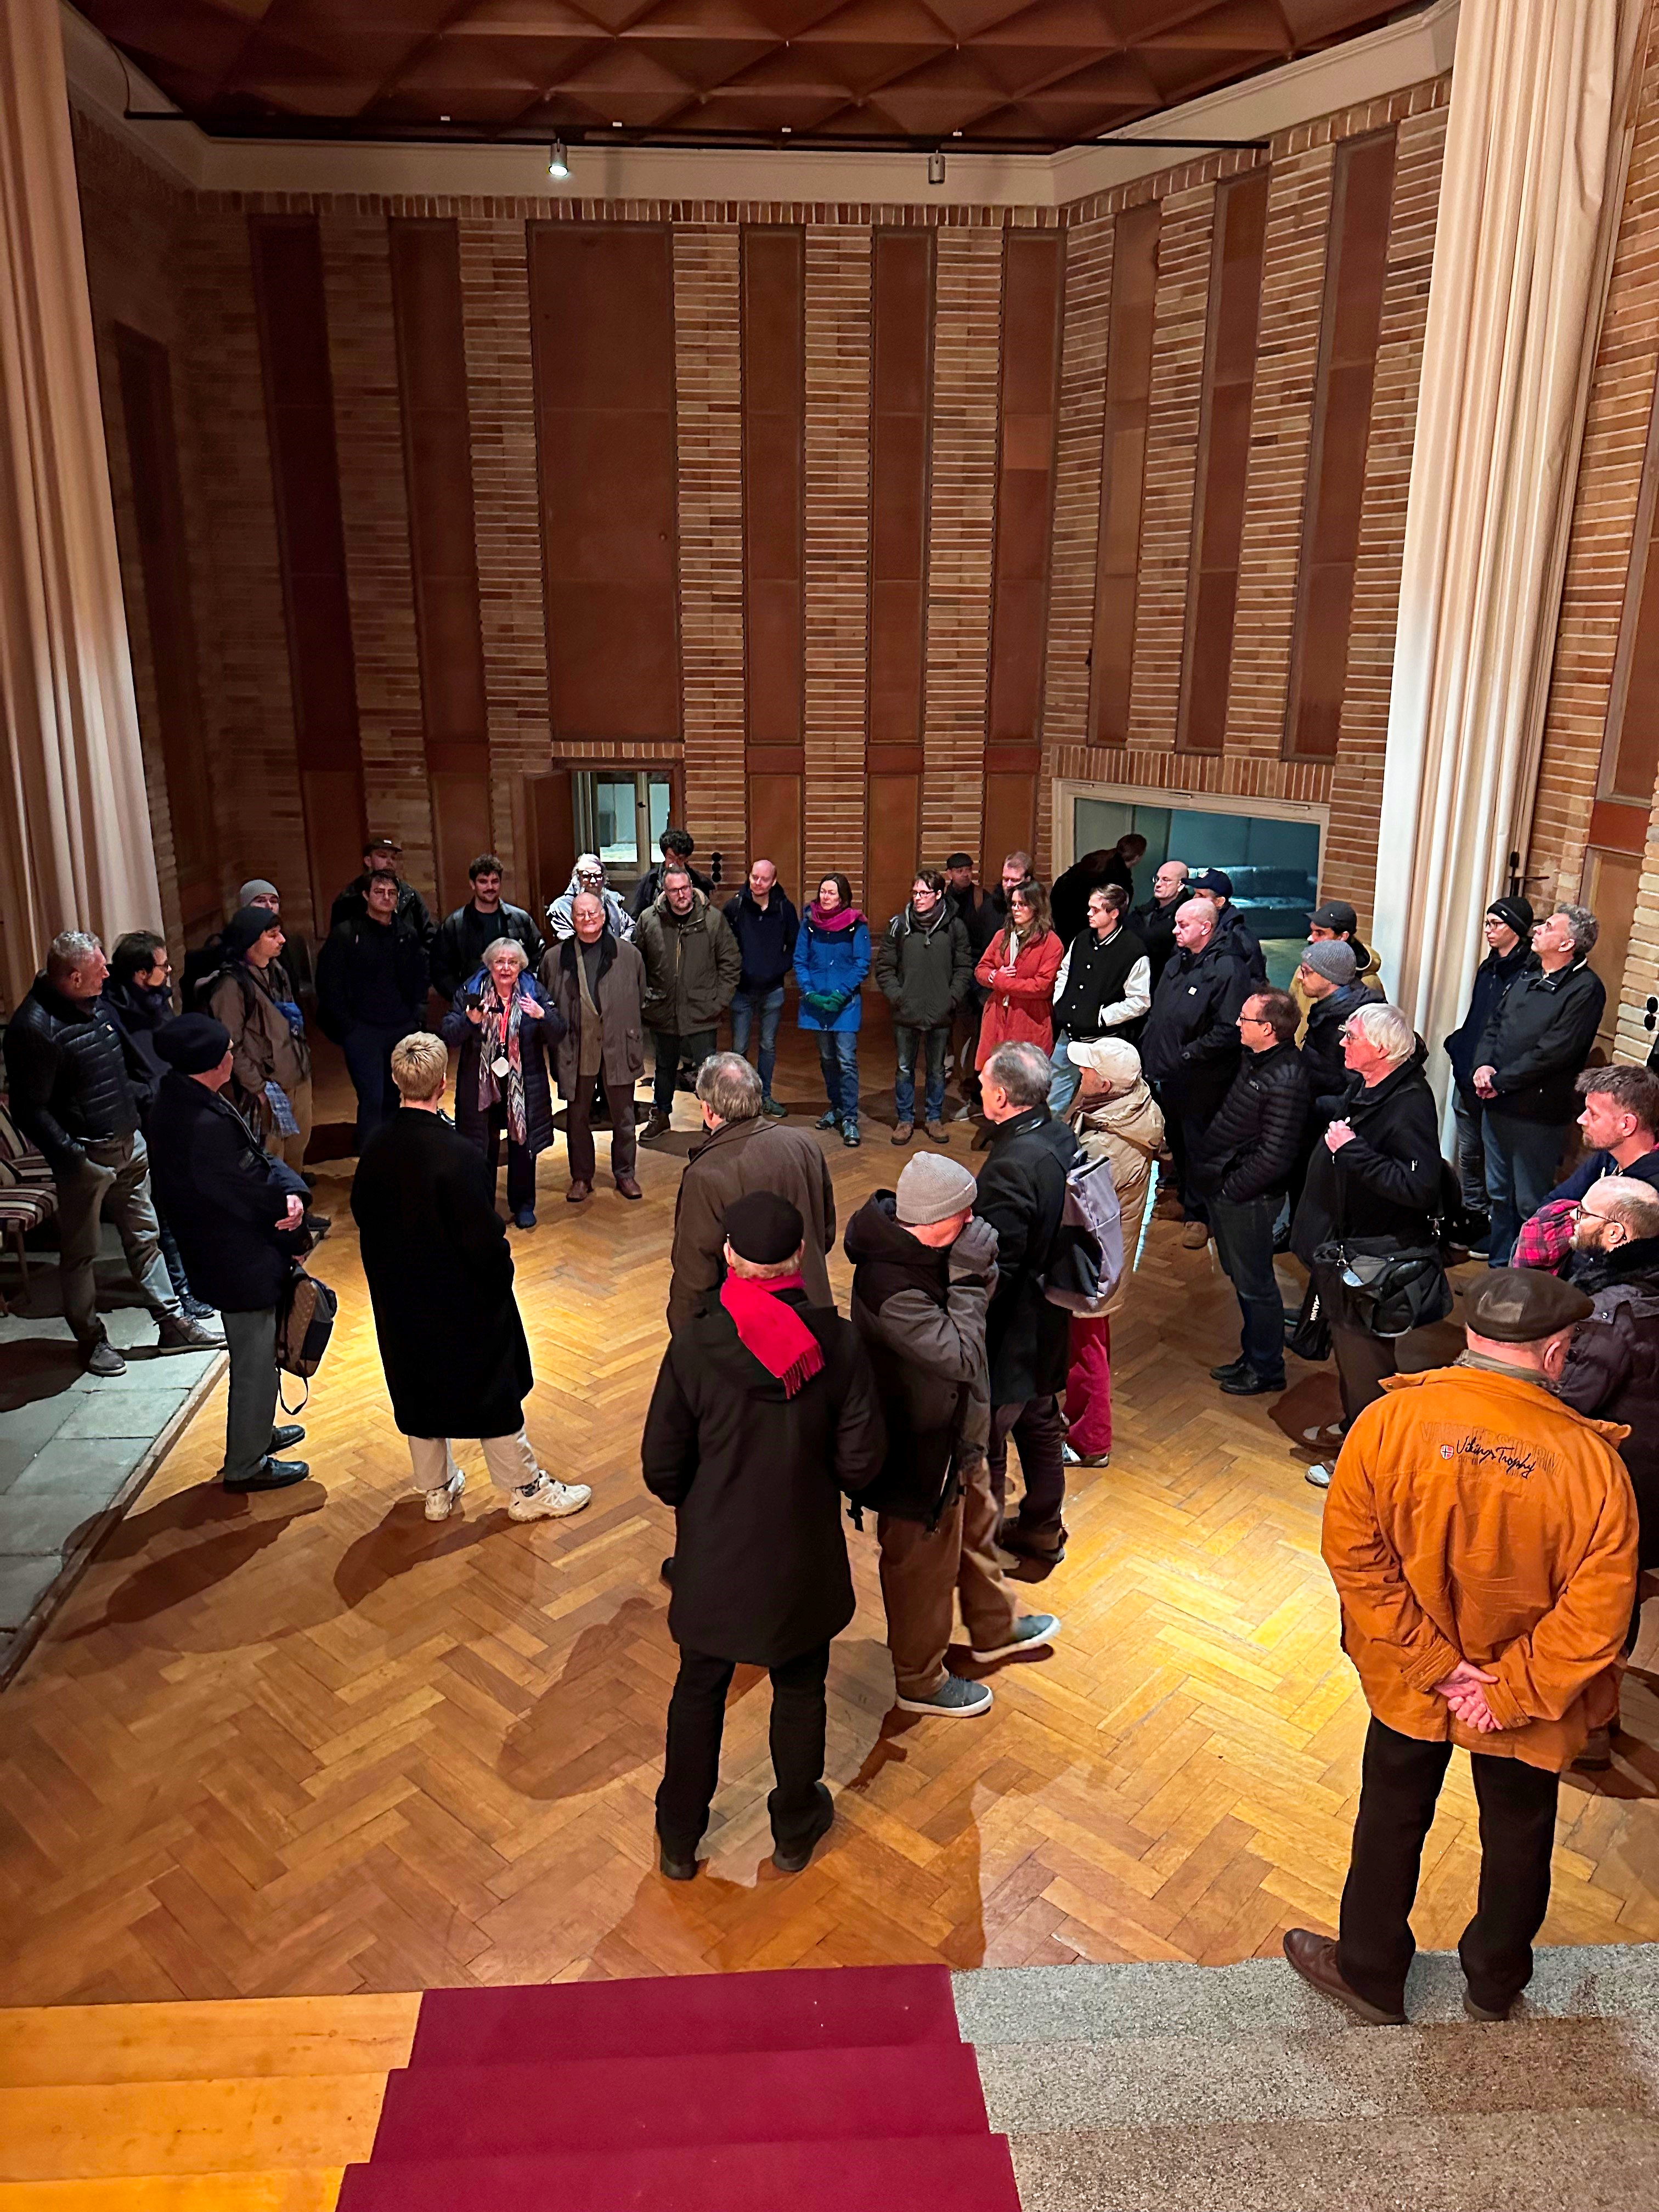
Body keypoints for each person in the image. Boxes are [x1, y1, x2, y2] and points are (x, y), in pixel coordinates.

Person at [1284, 1268, 1637, 2028]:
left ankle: (1370, 1973)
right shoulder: (1593, 1465)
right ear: (1554, 1353)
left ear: (1473, 1336)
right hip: (1528, 1704)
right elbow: (1598, 1613)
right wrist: (1503, 1692)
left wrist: (1436, 1666)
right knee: (1519, 1830)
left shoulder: (1387, 1423)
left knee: (1391, 1813)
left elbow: (1355, 1554)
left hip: (1413, 1684)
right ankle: (1495, 1981)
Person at [644, 1190, 885, 1879]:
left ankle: (680, 1836)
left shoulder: (693, 1345)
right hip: (801, 1555)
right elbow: (862, 1462)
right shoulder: (834, 1344)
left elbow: (662, 1466)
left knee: (699, 1689)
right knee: (801, 1687)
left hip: (715, 1557)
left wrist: (702, 1508)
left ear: (729, 1257)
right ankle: (794, 1829)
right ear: (800, 1259)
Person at [845, 1153, 1060, 1719]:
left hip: (956, 1436)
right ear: (934, 1219)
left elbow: (967, 1315)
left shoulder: (923, 1249)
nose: (973, 1225)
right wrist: (968, 1276)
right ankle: (918, 1679)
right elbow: (962, 1353)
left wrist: (975, 1274)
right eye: (963, 1217)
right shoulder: (889, 1283)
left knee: (977, 1531)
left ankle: (994, 1626)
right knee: (922, 1572)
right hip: (915, 1458)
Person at [351, 1032, 590, 1526]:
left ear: (397, 1080)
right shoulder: (457, 1154)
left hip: (399, 1299)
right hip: (462, 1299)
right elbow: (483, 1238)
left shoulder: (375, 1147)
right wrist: (500, 1275)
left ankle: (436, 1490)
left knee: (416, 1383)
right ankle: (525, 1489)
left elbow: (363, 1216)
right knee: (491, 1387)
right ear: (442, 1083)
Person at [4, 932, 218, 1376]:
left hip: (129, 1144)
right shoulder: (34, 1028)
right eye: (99, 968)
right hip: (86, 1159)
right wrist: (74, 1161)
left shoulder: (97, 1004)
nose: (108, 973)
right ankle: (91, 1339)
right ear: (74, 974)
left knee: (147, 1237)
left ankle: (172, 1321)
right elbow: (29, 1108)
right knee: (82, 1254)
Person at [146, 1014, 309, 1490]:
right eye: (229, 1050)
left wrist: (289, 1189)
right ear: (211, 1063)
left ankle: (255, 1432)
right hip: (234, 1255)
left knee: (255, 1352)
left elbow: (256, 1162)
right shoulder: (201, 1123)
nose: (233, 1055)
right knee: (254, 1357)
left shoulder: (183, 1097)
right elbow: (249, 1185)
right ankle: (246, 1464)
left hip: (228, 1249)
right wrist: (290, 1206)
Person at [1291, 1002, 1442, 1488]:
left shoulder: (1409, 1103)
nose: (1342, 1043)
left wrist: (1350, 1149)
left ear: (1379, 1048)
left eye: (1351, 1037)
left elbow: (1419, 1187)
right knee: (1350, 1351)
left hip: (1374, 1256)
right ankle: (1354, 1425)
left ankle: (1366, 1458)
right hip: (1347, 1244)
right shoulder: (1369, 1084)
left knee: (1367, 1361)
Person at [1554, 1177, 1659, 1758]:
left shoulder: (1613, 1309)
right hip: (1648, 1477)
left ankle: (1592, 1724)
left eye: (1584, 1216)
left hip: (1627, 1481)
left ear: (1616, 1234)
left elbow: (1570, 1400)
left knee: (1602, 1601)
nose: (1573, 1223)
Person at [973, 1041, 1081, 1570]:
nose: (978, 1090)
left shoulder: (1011, 1163)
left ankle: (979, 1550)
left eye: (982, 1084)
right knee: (1040, 1421)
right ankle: (1042, 1528)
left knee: (989, 1437)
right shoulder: (1058, 1132)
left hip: (1012, 1328)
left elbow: (1000, 1260)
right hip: (1050, 1310)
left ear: (1001, 1096)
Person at [1472, 904, 1606, 1265]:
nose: (1537, 931)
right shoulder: (1528, 973)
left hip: (1536, 1113)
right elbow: (1494, 1024)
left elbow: (1555, 1051)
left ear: (1567, 944)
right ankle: (1500, 1267)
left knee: (1530, 1200)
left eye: (1548, 927)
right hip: (1497, 1104)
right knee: (1499, 1193)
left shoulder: (1586, 989)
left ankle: (1528, 1278)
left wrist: (1501, 1080)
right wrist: (1483, 1066)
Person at [1194, 990, 1310, 1398]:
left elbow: (1276, 1156)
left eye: (1244, 1019)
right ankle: (1253, 1357)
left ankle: (1266, 1367)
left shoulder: (1287, 1077)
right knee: (1243, 1280)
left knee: (1256, 1286)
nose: (1237, 1025)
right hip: (1234, 1193)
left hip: (1250, 1199)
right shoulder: (1259, 1061)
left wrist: (1231, 1190)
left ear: (1267, 1029)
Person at [667, 1052, 836, 1330]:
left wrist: (686, 1341)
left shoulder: (706, 1174)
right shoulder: (805, 1145)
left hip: (751, 1331)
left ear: (708, 1110)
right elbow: (824, 1233)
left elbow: (696, 1273)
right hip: (813, 1314)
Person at [1060, 1037, 1164, 1468]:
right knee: (1087, 1345)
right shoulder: (1135, 1104)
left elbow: (1076, 1210)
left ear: (1104, 1084)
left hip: (1093, 1262)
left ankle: (1090, 1440)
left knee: (1088, 1351)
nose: (1078, 1076)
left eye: (1086, 1072)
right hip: (1103, 1255)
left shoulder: (1107, 1151)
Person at [102, 932, 211, 1320]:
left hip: (177, 1111)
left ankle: (197, 1281)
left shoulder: (156, 1001)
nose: (169, 973)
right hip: (145, 1121)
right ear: (139, 973)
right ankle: (181, 1292)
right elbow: (116, 1077)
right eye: (162, 967)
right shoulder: (109, 1013)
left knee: (188, 1201)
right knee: (162, 1210)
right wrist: (151, 1093)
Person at [1139, 897, 1248, 1248]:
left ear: (1206, 927)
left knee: (1201, 1147)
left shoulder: (1228, 970)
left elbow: (1229, 1030)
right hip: (1168, 1075)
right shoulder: (1177, 962)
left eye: (1183, 925)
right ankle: (1186, 1199)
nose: (1174, 930)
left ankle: (1202, 1216)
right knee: (1180, 1147)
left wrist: (1186, 1055)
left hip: (1201, 1079)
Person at [439, 938, 563, 1229]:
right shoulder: (471, 991)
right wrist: (470, 1021)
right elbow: (449, 1034)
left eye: (512, 962)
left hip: (524, 1084)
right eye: (499, 962)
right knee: (483, 1147)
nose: (506, 968)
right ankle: (483, 1206)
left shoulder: (533, 990)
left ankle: (523, 1205)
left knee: (522, 1144)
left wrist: (542, 1015)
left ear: (521, 966)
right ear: (489, 965)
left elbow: (559, 1032)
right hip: (481, 1084)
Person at [1441, 896, 1537, 1241]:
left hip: (1496, 1081)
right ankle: (1474, 1214)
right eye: (1487, 924)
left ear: (1517, 929)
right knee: (1467, 1151)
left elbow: (1511, 1032)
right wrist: (1459, 1046)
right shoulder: (1489, 966)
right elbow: (1478, 1017)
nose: (1488, 931)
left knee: (1492, 1157)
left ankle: (1494, 1227)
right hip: (1467, 1069)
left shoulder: (1528, 974)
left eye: (1496, 924)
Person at [316, 873, 430, 1155]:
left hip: (400, 1027)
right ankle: (371, 1160)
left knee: (397, 1096)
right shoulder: (346, 934)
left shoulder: (407, 934)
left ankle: (393, 1155)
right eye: (379, 892)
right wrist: (347, 1026)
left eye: (392, 893)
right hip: (362, 1031)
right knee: (371, 1098)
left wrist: (415, 1017)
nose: (387, 898)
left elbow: (419, 978)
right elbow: (329, 984)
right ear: (366, 896)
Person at [542, 891, 646, 1203]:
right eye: (580, 914)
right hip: (577, 1049)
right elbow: (548, 1002)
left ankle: (625, 1174)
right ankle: (581, 1177)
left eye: (593, 913)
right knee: (577, 1118)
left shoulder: (630, 956)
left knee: (625, 1118)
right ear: (571, 919)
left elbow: (638, 996)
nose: (588, 919)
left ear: (604, 915)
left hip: (619, 1046)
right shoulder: (554, 958)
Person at [205, 907, 316, 1190]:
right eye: (273, 935)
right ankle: (279, 1216)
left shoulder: (277, 971)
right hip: (267, 1086)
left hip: (296, 1075)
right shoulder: (232, 985)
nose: (282, 940)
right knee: (272, 1155)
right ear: (251, 940)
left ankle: (298, 1206)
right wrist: (257, 1087)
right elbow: (232, 1044)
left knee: (297, 1147)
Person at [1512, 1065, 1659, 1275]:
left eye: (1593, 1114)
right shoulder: (1609, 1156)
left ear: (1627, 1125)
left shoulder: (1651, 1190)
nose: (1581, 1120)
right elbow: (1551, 1204)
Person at [635, 862, 742, 1142]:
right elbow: (637, 964)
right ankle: (661, 1115)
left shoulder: (713, 920)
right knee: (664, 1066)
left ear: (691, 888)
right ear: (665, 892)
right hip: (663, 1010)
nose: (681, 894)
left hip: (702, 1011)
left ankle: (713, 1121)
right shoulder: (649, 920)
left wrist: (718, 1002)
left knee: (707, 1069)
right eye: (674, 890)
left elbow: (731, 963)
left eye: (685, 888)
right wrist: (645, 998)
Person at [876, 869, 972, 1145]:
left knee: (937, 1070)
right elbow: (884, 968)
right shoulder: (899, 925)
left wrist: (950, 999)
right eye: (915, 893)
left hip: (941, 1012)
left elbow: (964, 968)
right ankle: (905, 1120)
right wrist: (898, 997)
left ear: (939, 895)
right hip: (906, 1011)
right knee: (905, 1068)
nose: (918, 898)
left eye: (924, 893)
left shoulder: (955, 927)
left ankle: (933, 1118)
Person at [973, 877, 1063, 1151]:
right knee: (997, 1075)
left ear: (1037, 907)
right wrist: (993, 975)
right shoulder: (1002, 937)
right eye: (1013, 904)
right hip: (998, 1017)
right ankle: (1000, 1128)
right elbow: (981, 970)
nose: (1016, 909)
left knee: (1024, 1080)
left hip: (1029, 1018)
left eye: (1023, 904)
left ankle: (1024, 1137)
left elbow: (1041, 986)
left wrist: (1000, 982)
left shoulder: (1051, 943)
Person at [1046, 884, 1150, 1114]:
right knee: (1055, 1095)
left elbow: (1140, 1001)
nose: (1089, 914)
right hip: (1069, 1034)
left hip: (1101, 1042)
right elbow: (1064, 971)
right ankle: (1050, 1142)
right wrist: (1060, 1001)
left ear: (1114, 913)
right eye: (1089, 908)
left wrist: (1101, 1017)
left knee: (1094, 1102)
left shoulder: (1133, 949)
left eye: (1096, 910)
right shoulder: (1082, 938)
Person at [795, 873, 872, 1149]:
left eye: (832, 892)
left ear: (843, 897)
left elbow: (862, 963)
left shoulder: (855, 924)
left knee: (846, 1059)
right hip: (816, 1003)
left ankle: (850, 1117)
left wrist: (841, 993)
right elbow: (800, 959)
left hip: (845, 1004)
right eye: (823, 892)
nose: (825, 897)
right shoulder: (809, 923)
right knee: (827, 1058)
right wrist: (810, 992)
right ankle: (836, 1107)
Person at [723, 857, 797, 1120]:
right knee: (739, 1047)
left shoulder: (785, 909)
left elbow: (794, 945)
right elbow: (725, 947)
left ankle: (765, 1097)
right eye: (754, 877)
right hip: (742, 991)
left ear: (774, 881)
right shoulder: (735, 907)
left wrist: (778, 969)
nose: (757, 882)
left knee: (768, 1045)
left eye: (764, 879)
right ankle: (738, 1099)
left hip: (772, 990)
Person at [431, 853, 545, 1001]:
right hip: (473, 1011)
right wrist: (465, 999)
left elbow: (539, 957)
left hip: (517, 1006)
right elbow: (440, 970)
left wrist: (526, 988)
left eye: (495, 881)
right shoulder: (455, 924)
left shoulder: (521, 920)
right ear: (473, 884)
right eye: (483, 882)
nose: (490, 887)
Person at [943, 852, 997, 1115]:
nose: (966, 874)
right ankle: (950, 1065)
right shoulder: (942, 899)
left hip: (975, 970)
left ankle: (970, 1081)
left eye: (969, 869)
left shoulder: (981, 899)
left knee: (972, 1029)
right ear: (950, 874)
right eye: (960, 870)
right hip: (948, 970)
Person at [1297, 940, 1375, 1119]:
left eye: (1306, 972)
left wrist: (1311, 1107)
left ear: (1329, 977)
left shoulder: (1355, 1024)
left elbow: (1358, 1089)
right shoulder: (1330, 1009)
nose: (1300, 978)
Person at [1291, 898, 1385, 1035]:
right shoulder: (1307, 966)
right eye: (1312, 932)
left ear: (1342, 936)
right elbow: (1292, 1009)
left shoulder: (1366, 983)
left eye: (1320, 933)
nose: (1310, 939)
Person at [329, 835, 435, 947]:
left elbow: (429, 936)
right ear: (368, 861)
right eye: (383, 856)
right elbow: (338, 944)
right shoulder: (349, 898)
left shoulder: (410, 895)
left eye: (393, 858)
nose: (389, 862)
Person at [1049, 834, 1146, 946]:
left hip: (1062, 914)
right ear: (1137, 857)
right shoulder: (1121, 883)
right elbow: (1113, 919)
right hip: (1081, 926)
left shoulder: (1098, 858)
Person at [1187, 869, 1267, 985]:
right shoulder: (1190, 926)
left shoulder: (1241, 939)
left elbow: (1255, 983)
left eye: (1201, 896)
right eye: (1195, 893)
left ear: (1219, 902)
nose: (1194, 900)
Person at [544, 853, 634, 946]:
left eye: (597, 876)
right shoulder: (562, 907)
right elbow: (568, 939)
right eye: (586, 876)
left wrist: (622, 945)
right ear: (577, 878)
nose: (593, 881)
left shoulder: (611, 901)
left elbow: (630, 926)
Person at [629, 827, 714, 919]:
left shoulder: (699, 882)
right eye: (671, 858)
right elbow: (636, 917)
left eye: (680, 859)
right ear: (665, 856)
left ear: (686, 859)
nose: (675, 864)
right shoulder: (651, 881)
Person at [1131, 859, 1190, 991]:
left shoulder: (1185, 914)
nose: (1158, 884)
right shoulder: (1146, 909)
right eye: (1157, 879)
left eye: (1166, 880)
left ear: (1181, 885)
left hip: (1164, 981)